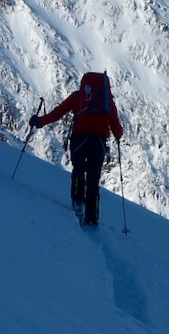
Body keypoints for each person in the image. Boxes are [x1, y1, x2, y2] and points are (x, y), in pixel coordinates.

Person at [30, 71, 123, 226]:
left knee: (78, 171)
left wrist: (39, 122)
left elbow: (57, 113)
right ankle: (92, 218)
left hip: (79, 140)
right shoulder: (107, 102)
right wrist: (118, 135)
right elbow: (117, 129)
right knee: (93, 181)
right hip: (98, 144)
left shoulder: (78, 97)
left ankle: (77, 203)